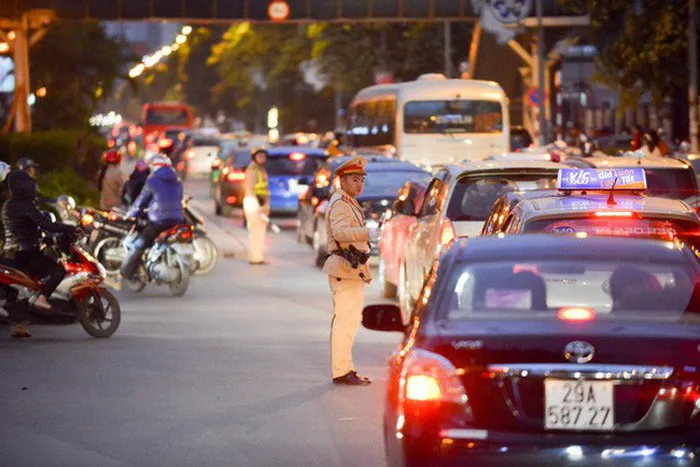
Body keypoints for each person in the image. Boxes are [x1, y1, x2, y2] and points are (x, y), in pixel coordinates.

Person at [323, 156, 379, 386]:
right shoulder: (340, 204)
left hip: (350, 268)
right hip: (345, 268)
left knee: (348, 321)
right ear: (342, 181)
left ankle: (345, 368)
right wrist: (367, 233)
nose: (359, 184)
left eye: (361, 180)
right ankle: (342, 371)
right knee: (346, 322)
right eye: (354, 180)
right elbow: (340, 232)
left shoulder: (346, 201)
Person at [3, 170, 78, 337]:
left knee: (26, 287)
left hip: (11, 253)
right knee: (58, 271)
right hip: (26, 252)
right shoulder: (25, 205)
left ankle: (19, 325)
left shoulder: (8, 205)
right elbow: (45, 224)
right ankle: (42, 298)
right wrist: (71, 228)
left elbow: (24, 227)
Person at [119, 155, 184, 282]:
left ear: (155, 167)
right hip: (177, 219)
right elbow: (179, 199)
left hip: (159, 221)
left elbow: (140, 202)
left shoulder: (152, 181)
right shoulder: (178, 181)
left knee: (138, 244)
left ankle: (123, 274)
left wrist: (131, 215)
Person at [243, 148, 270, 265]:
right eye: (260, 156)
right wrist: (258, 204)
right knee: (255, 231)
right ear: (254, 157)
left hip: (261, 203)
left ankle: (258, 256)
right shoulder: (252, 169)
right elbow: (249, 188)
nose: (262, 159)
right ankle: (255, 258)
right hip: (254, 203)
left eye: (263, 156)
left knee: (260, 232)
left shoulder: (261, 169)